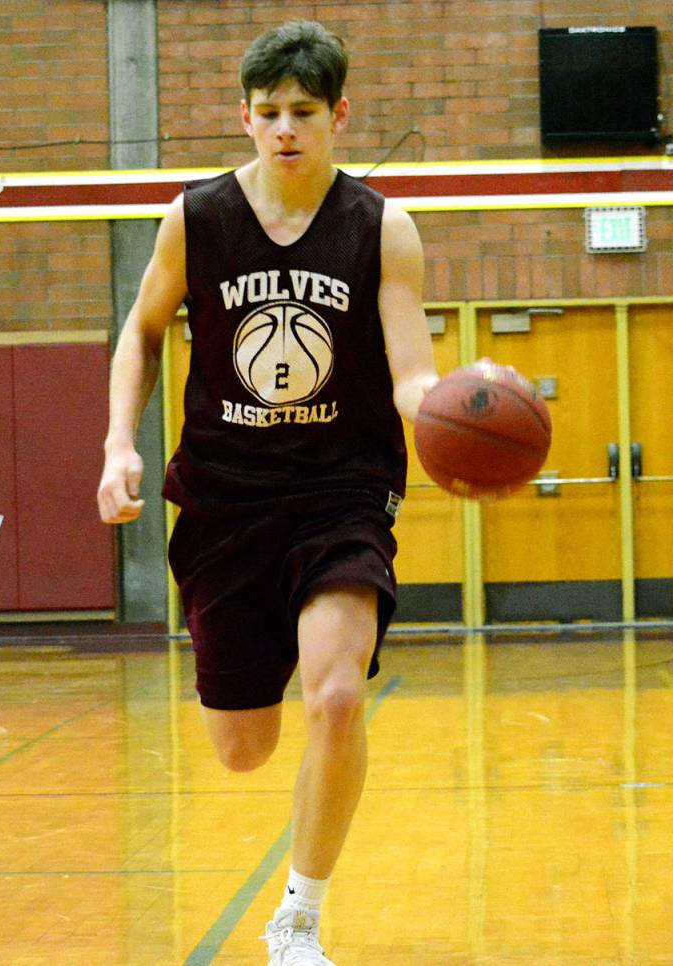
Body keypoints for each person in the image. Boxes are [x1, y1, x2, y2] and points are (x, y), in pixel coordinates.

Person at [97, 20, 438, 966]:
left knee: (335, 698)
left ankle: (299, 916)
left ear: (339, 114)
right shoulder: (197, 218)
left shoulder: (380, 228)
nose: (285, 128)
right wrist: (119, 444)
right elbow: (144, 332)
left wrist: (447, 405)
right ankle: (255, 658)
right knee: (242, 749)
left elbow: (409, 376)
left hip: (341, 491)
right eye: (269, 112)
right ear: (244, 115)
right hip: (226, 496)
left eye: (304, 112)